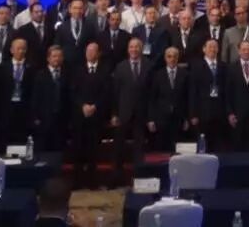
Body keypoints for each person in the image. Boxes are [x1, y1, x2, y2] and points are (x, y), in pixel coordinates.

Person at [110, 38, 150, 184]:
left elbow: (152, 93)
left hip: (141, 113)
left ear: (141, 49)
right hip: (123, 113)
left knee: (139, 147)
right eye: (131, 47)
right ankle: (116, 178)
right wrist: (114, 113)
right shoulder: (120, 67)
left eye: (137, 47)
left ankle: (139, 178)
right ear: (128, 50)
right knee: (118, 148)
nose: (134, 49)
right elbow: (115, 93)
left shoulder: (149, 66)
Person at [71, 42, 109, 188]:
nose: (90, 53)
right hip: (80, 115)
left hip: (96, 115)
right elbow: (72, 91)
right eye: (88, 51)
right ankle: (77, 181)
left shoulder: (105, 70)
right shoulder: (77, 70)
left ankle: (92, 181)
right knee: (78, 148)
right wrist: (83, 106)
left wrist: (95, 106)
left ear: (98, 53)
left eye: (93, 51)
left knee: (93, 150)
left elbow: (107, 93)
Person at [147, 47, 190, 152]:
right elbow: (152, 99)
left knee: (178, 151)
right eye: (169, 56)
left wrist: (187, 118)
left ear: (178, 58)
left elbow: (188, 98)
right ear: (165, 58)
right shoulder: (157, 75)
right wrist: (151, 119)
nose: (172, 59)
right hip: (161, 119)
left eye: (175, 56)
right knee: (161, 150)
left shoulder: (185, 75)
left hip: (179, 119)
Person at [189, 39, 228, 151]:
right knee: (204, 146)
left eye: (215, 47)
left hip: (220, 113)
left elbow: (227, 91)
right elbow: (193, 91)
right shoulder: (196, 66)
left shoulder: (224, 66)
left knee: (219, 146)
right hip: (202, 113)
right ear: (204, 49)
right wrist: (193, 114)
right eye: (210, 46)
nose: (213, 49)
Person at [32, 46, 65, 153]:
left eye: (59, 56)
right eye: (54, 56)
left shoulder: (67, 75)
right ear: (48, 58)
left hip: (61, 121)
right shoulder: (40, 75)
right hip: (43, 120)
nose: (57, 59)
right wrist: (36, 117)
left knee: (58, 152)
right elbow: (35, 98)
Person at [55, 0, 88, 66]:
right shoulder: (62, 27)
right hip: (66, 63)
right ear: (70, 9)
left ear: (83, 10)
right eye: (75, 8)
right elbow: (58, 45)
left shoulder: (89, 26)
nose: (78, 11)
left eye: (80, 8)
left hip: (84, 63)